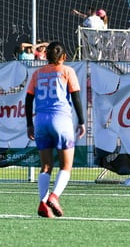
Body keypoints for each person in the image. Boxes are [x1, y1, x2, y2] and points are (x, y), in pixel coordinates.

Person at [25, 41, 86, 218]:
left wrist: (29, 124)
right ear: (64, 57)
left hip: (41, 121)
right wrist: (81, 121)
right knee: (66, 166)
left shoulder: (37, 73)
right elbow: (76, 98)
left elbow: (28, 100)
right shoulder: (67, 71)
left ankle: (43, 203)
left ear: (46, 56)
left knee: (45, 167)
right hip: (61, 121)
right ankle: (54, 196)